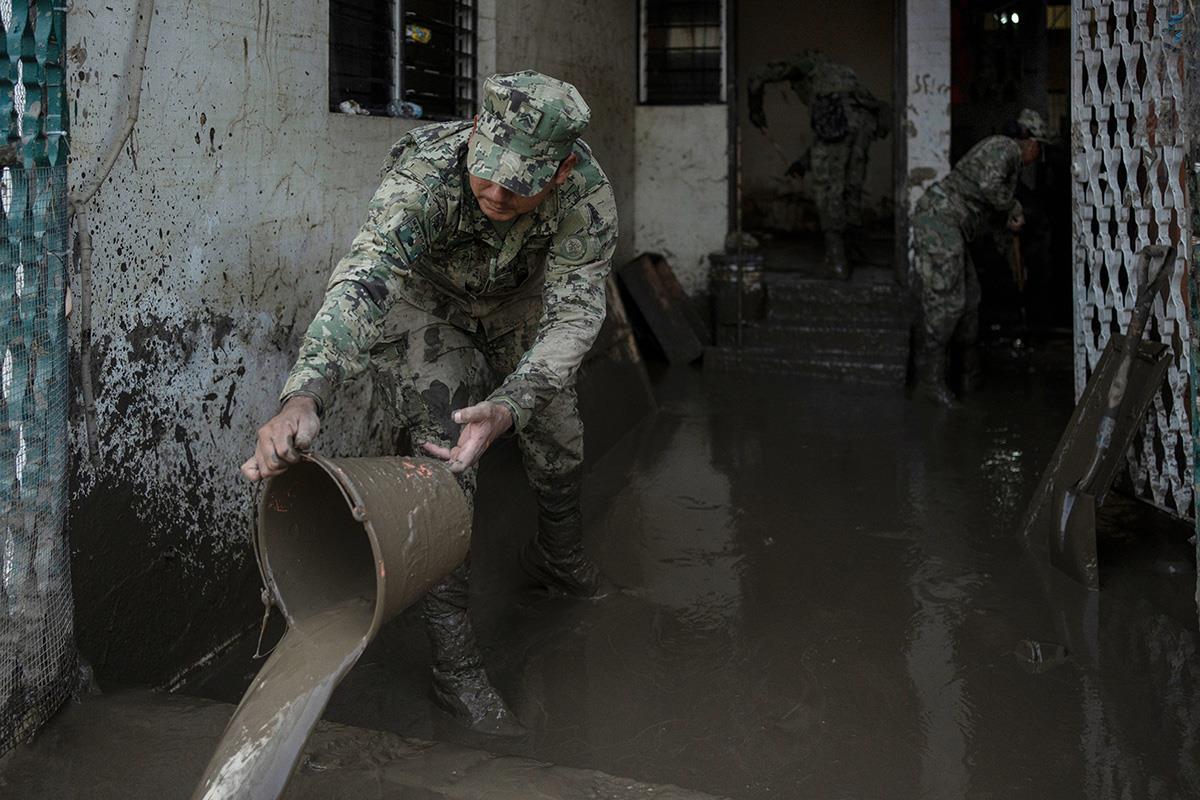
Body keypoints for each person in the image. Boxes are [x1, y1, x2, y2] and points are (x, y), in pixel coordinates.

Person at [240, 71, 617, 735]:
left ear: (559, 172)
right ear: (475, 135)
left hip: (521, 306)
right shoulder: (426, 176)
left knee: (559, 439)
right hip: (429, 306)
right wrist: (307, 392)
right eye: (487, 171)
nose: (495, 193)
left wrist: (512, 403)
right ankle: (456, 666)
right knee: (446, 460)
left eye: (520, 183)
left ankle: (557, 557)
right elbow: (365, 280)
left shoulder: (586, 194)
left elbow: (575, 314)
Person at [910, 108, 1050, 406]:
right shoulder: (1005, 147)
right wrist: (1014, 208)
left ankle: (968, 374)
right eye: (1040, 148)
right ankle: (930, 381)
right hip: (939, 220)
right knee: (947, 300)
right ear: (1031, 142)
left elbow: (992, 214)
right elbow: (990, 188)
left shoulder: (1008, 160)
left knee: (970, 298)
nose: (1039, 155)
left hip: (953, 227)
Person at [748, 50, 891, 279]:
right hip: (866, 121)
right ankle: (850, 250)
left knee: (828, 190)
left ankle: (837, 262)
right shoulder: (840, 75)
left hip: (840, 118)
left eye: (794, 88)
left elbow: (758, 75)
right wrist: (803, 163)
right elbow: (835, 140)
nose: (797, 92)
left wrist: (755, 109)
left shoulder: (805, 65)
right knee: (850, 186)